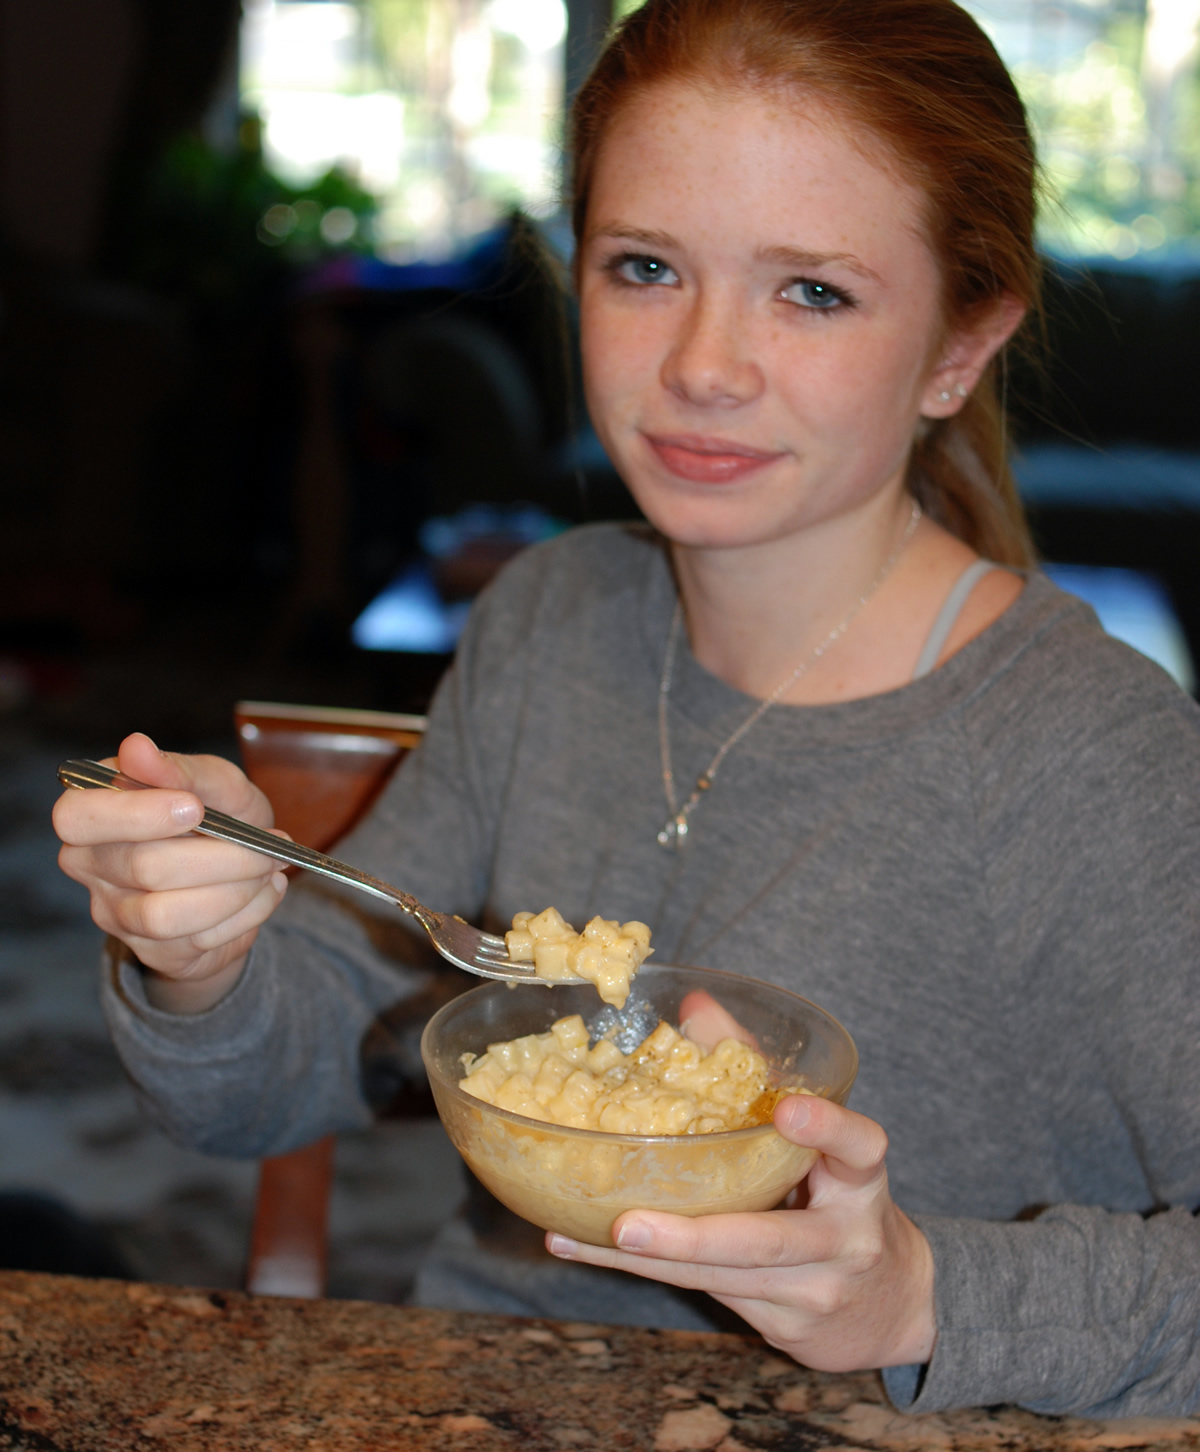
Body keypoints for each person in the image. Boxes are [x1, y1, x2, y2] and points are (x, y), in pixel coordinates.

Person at [54, 0, 1199, 1419]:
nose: (704, 365)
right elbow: (271, 1079)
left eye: (813, 292)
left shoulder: (1091, 754)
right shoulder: (546, 620)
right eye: (646, 267)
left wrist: (923, 1293)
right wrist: (205, 954)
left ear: (960, 348)